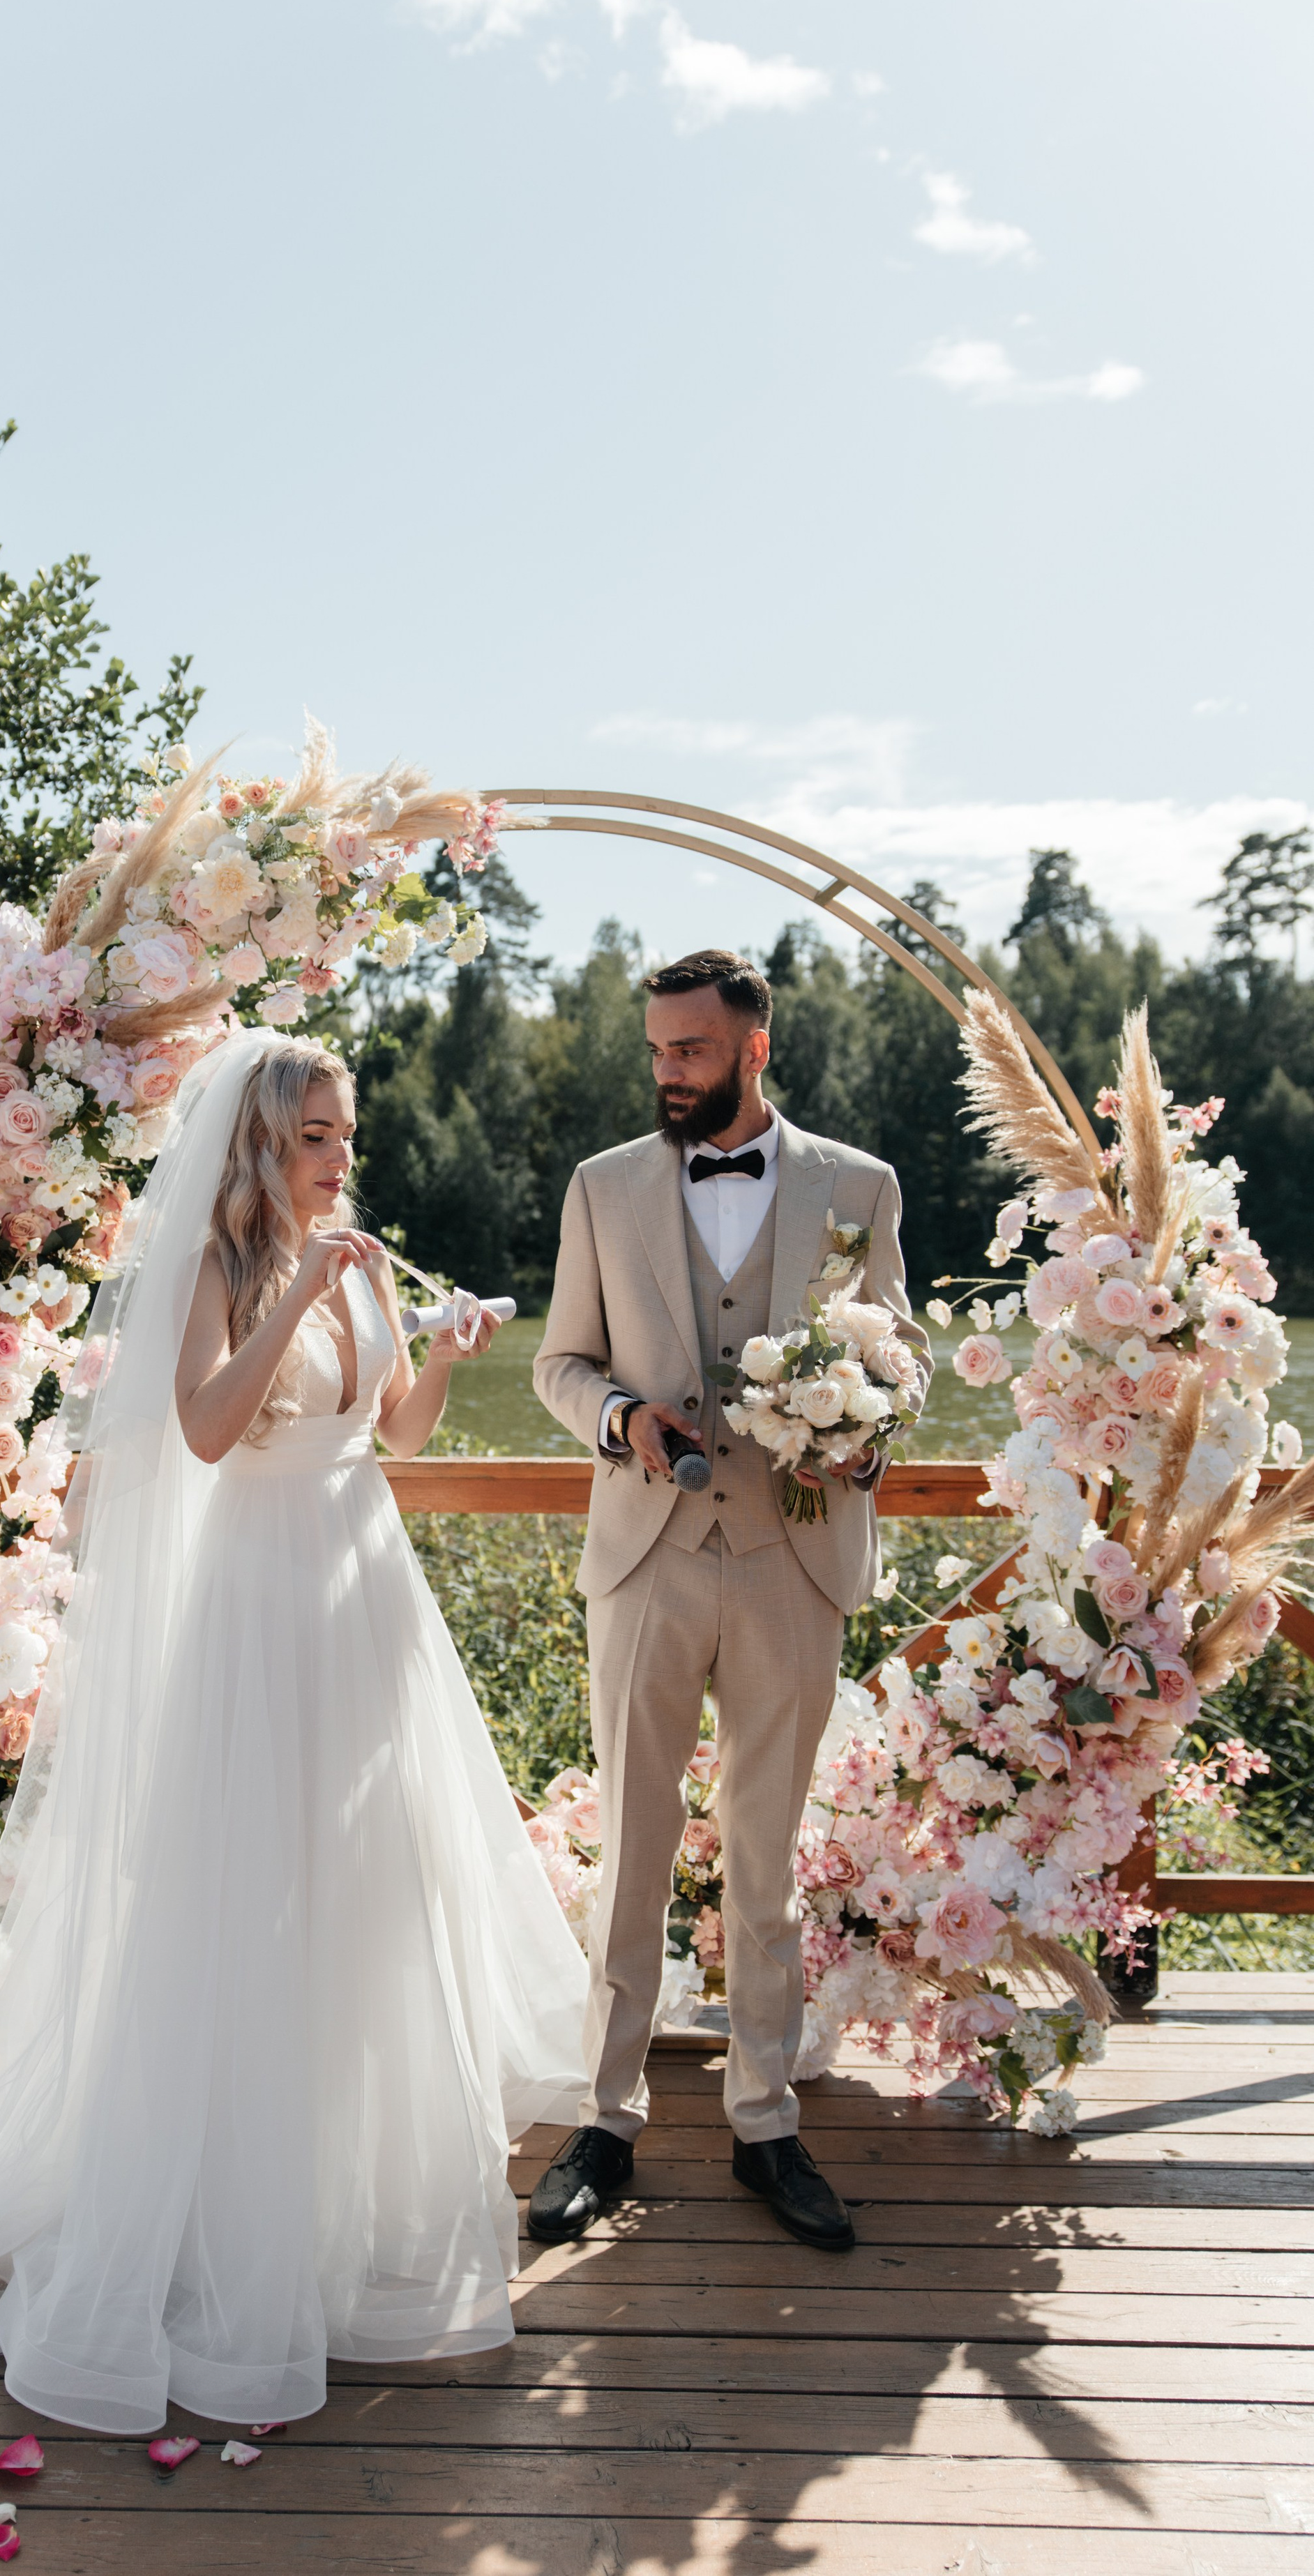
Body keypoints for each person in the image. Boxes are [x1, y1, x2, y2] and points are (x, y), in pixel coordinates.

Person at [0, 1030, 587, 2434]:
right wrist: (299, 1294)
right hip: (257, 1595)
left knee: (366, 1885)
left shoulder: (362, 1257)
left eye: (347, 1136)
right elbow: (208, 1430)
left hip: (362, 1584)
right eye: (320, 1138)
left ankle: (340, 2215)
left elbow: (391, 1431)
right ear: (263, 1147)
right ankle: (220, 2223)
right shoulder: (223, 1268)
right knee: (248, 1893)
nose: (344, 1159)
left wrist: (439, 1349)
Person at [529, 950, 930, 2252]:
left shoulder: (857, 1187)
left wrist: (867, 1438)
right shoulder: (602, 1186)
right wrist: (617, 1418)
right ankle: (605, 2121)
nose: (666, 1072)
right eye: (655, 1050)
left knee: (766, 1859)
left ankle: (767, 2124)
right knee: (634, 1853)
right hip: (648, 1555)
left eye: (690, 1051)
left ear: (755, 1049)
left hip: (793, 1561)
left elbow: (902, 1355)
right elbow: (558, 1362)